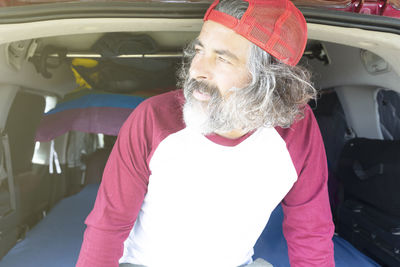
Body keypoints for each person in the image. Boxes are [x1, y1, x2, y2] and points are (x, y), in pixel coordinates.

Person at [76, 0, 335, 266]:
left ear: (268, 78)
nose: (196, 70)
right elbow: (108, 225)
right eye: (199, 51)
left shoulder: (296, 128)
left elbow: (311, 231)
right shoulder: (152, 118)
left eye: (221, 58)